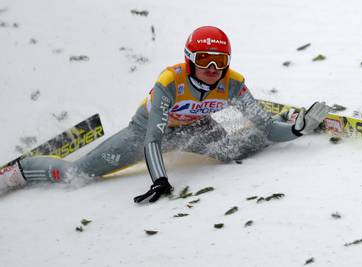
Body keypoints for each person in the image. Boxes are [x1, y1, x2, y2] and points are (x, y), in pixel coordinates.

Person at [0, 26, 330, 202]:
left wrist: (296, 129)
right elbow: (153, 139)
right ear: (189, 60)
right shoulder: (170, 82)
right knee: (77, 176)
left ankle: (291, 116)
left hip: (197, 129)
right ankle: (20, 171)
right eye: (203, 60)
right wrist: (160, 179)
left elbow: (266, 130)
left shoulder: (233, 84)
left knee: (239, 150)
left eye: (219, 61)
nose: (212, 69)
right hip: (145, 131)